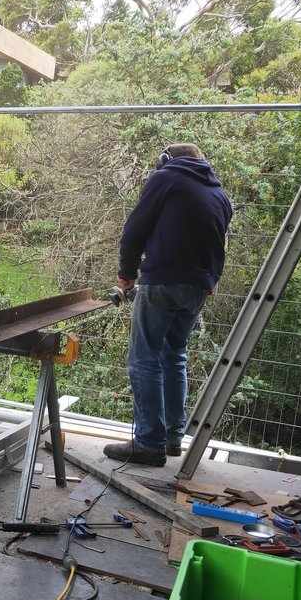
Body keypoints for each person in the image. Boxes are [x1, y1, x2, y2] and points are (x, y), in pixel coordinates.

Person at [103, 143, 233, 467]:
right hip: (200, 286)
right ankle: (173, 439)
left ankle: (148, 442)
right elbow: (217, 240)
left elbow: (135, 228)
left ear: (166, 159)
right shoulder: (219, 195)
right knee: (174, 355)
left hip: (163, 280)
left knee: (143, 357)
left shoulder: (166, 178)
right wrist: (208, 278)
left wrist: (126, 274)